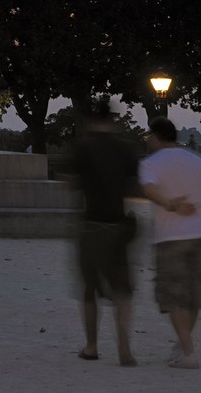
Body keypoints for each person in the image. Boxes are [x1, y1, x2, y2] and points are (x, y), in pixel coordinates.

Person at [139, 118, 201, 369]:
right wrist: (199, 205)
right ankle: (183, 345)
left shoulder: (150, 163)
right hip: (200, 234)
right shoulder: (198, 160)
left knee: (173, 295)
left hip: (170, 236)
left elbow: (148, 189)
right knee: (193, 295)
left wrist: (171, 205)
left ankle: (188, 351)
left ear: (155, 136)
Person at [66, 103, 139, 366]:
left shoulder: (83, 147)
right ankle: (124, 349)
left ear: (90, 120)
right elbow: (133, 186)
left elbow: (73, 184)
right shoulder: (125, 148)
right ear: (113, 120)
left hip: (92, 225)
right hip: (119, 226)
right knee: (123, 291)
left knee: (89, 290)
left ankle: (92, 346)